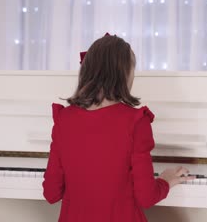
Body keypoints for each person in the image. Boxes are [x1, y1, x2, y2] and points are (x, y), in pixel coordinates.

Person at [42, 33, 193, 221]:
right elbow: (147, 197)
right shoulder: (136, 121)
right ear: (124, 74)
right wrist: (166, 180)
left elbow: (51, 193)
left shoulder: (64, 118)